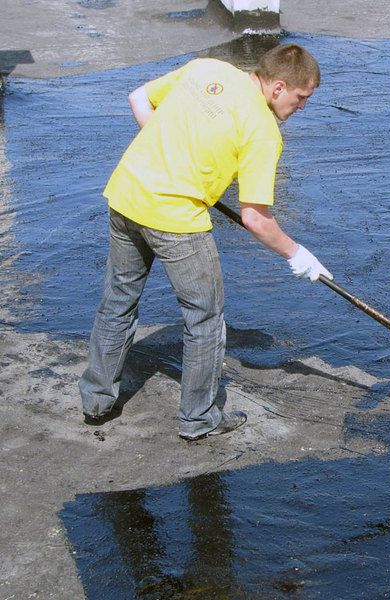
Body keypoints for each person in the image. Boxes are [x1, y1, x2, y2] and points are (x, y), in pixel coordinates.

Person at [79, 43, 331, 441]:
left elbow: (139, 98)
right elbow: (255, 218)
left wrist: (174, 158)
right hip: (176, 220)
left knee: (118, 301)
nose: (303, 107)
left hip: (126, 194)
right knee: (205, 318)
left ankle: (95, 402)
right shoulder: (263, 132)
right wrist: (298, 255)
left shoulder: (206, 68)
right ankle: (199, 419)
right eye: (302, 98)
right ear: (279, 87)